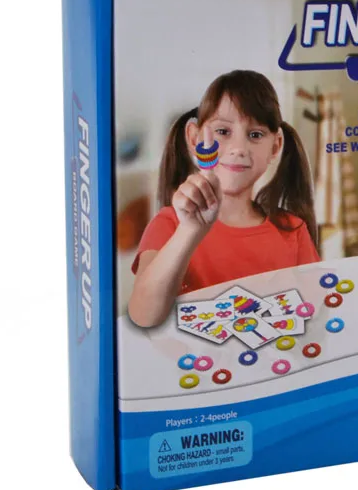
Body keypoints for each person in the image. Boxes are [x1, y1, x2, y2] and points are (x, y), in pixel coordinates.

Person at [128, 70, 319, 328]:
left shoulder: (293, 230)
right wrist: (190, 231)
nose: (238, 148)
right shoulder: (170, 225)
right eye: (222, 131)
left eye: (255, 135)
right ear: (195, 138)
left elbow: (316, 316)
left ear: (275, 146)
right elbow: (143, 316)